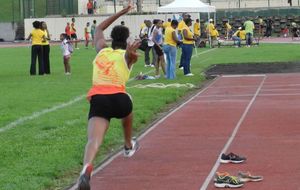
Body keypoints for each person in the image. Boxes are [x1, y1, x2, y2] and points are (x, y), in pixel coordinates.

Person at [77, 1, 141, 189]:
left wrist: (122, 11)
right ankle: (128, 145)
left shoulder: (101, 50)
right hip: (120, 100)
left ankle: (86, 168)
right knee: (128, 103)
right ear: (127, 41)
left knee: (94, 140)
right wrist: (131, 54)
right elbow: (131, 57)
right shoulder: (128, 55)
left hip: (99, 100)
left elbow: (99, 28)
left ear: (111, 39)